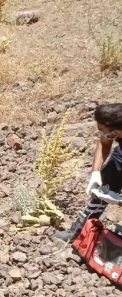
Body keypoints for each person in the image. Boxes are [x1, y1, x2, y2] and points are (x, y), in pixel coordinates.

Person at [54, 104, 122, 243]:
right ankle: (78, 231)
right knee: (104, 187)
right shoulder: (114, 126)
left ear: (116, 132)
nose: (101, 133)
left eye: (103, 131)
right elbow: (104, 143)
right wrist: (96, 172)